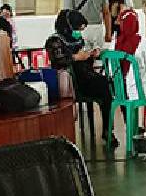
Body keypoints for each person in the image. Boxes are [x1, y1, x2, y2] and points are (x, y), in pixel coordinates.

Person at [46, 9, 116, 148]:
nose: (79, 32)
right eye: (77, 28)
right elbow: (58, 61)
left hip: (85, 76)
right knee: (105, 86)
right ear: (68, 26)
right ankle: (108, 130)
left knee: (108, 85)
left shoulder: (77, 39)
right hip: (71, 82)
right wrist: (75, 57)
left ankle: (108, 129)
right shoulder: (55, 41)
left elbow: (84, 58)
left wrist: (91, 54)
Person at [113, 9, 146, 106]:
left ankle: (128, 119)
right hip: (139, 90)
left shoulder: (115, 44)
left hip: (118, 91)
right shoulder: (144, 42)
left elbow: (110, 69)